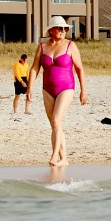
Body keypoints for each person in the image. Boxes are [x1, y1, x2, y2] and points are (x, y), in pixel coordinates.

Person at [26, 16, 87, 166]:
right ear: (51, 30)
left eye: (65, 28)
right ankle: (64, 158)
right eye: (60, 28)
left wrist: (83, 91)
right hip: (47, 88)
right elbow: (35, 68)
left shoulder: (70, 45)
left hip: (66, 87)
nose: (63, 31)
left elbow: (79, 69)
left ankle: (54, 156)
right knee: (55, 125)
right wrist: (29, 87)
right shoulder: (42, 46)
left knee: (56, 120)